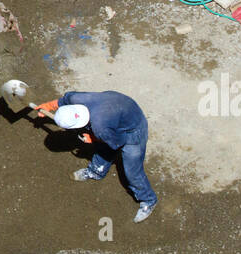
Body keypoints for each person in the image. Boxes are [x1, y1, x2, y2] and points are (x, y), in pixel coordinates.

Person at [46, 90, 158, 223]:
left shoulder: (100, 127)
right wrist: (49, 106)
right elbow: (64, 100)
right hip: (120, 108)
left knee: (132, 171)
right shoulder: (76, 99)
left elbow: (119, 141)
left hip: (133, 129)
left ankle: (148, 200)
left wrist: (93, 138)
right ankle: (96, 171)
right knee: (103, 146)